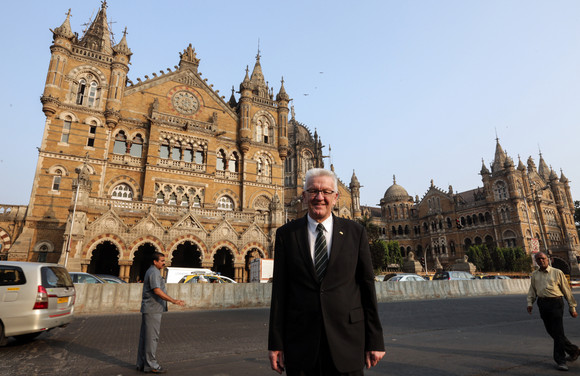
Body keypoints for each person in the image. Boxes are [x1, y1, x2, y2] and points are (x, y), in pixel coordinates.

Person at [268, 168, 385, 375]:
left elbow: (367, 286)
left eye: (326, 192)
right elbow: (280, 291)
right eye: (313, 191)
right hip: (301, 343)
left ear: (336, 196)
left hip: (347, 341)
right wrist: (275, 343)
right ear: (304, 196)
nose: (319, 197)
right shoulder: (286, 234)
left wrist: (375, 340)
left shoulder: (355, 232)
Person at [527, 251, 580, 371]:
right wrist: (530, 303)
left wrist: (572, 307)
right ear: (536, 261)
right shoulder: (535, 274)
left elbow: (566, 290)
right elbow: (532, 290)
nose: (541, 260)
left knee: (558, 331)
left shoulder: (557, 272)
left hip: (556, 303)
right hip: (542, 304)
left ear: (548, 259)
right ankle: (573, 350)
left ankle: (560, 360)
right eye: (538, 259)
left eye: (543, 258)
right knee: (552, 332)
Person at [137, 252, 185, 374]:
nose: (164, 263)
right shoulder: (153, 272)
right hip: (152, 309)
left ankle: (142, 364)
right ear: (155, 261)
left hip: (150, 309)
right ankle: (151, 364)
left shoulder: (152, 271)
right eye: (162, 261)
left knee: (145, 338)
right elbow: (157, 290)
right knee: (152, 338)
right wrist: (173, 300)